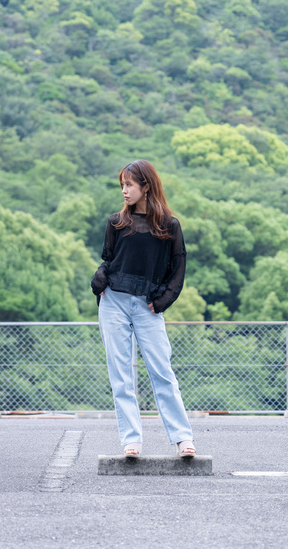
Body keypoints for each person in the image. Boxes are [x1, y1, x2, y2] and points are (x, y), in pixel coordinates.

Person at [91, 159, 196, 459]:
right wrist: (99, 279)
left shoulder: (169, 225)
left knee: (162, 372)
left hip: (147, 306)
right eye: (122, 185)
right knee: (121, 376)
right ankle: (131, 441)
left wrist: (163, 300)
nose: (124, 190)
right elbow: (109, 260)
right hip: (114, 302)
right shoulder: (116, 222)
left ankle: (183, 439)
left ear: (146, 186)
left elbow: (178, 267)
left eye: (129, 185)